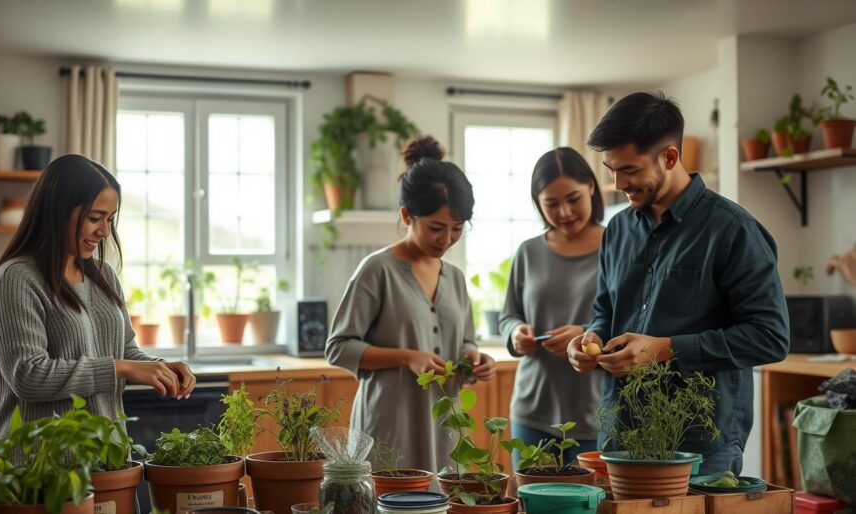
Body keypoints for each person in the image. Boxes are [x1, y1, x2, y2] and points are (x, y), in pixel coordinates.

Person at [567, 92, 789, 475]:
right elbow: (605, 308)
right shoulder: (618, 229)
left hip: (700, 445)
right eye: (611, 169)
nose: (618, 183)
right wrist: (591, 339)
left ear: (669, 157)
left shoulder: (733, 230)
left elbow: (771, 336)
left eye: (630, 170)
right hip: (622, 435)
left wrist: (667, 349)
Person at [0, 154, 196, 443]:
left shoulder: (104, 275)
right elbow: (29, 376)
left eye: (110, 219)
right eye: (94, 218)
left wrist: (158, 366)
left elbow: (124, 351)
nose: (105, 231)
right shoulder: (17, 278)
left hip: (109, 458)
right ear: (57, 212)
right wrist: (122, 368)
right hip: (41, 468)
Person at [326, 136, 496, 474]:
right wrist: (407, 357)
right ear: (407, 215)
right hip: (389, 424)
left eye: (458, 229)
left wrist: (474, 359)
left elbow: (465, 341)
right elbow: (338, 347)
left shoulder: (456, 278)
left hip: (446, 425)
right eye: (436, 228)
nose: (446, 239)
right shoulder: (377, 270)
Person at [499, 147, 605, 470]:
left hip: (596, 412)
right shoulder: (528, 252)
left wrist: (588, 334)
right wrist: (516, 333)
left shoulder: (617, 245)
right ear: (538, 204)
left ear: (591, 186)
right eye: (551, 204)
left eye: (573, 199)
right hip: (533, 411)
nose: (564, 212)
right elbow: (508, 315)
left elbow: (635, 321)